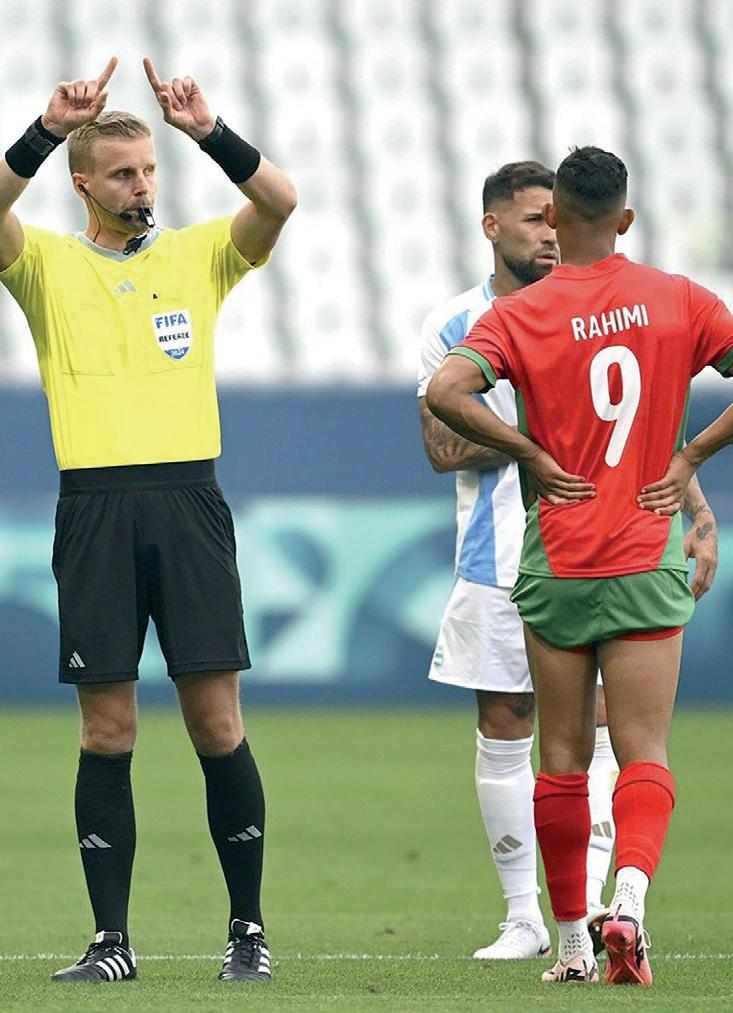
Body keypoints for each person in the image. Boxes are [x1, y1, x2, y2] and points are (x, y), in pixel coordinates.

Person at [0, 56, 296, 984]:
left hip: (188, 503)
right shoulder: (45, 265)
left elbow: (280, 201)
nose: (141, 187)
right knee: (106, 731)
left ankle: (247, 930)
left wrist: (207, 134)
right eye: (123, 174)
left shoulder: (197, 255)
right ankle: (110, 941)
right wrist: (44, 132)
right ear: (83, 184)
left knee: (217, 722)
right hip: (94, 509)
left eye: (149, 171)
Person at [425, 146, 731, 986]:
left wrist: (527, 449)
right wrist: (692, 457)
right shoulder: (677, 298)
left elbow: (445, 393)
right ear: (625, 218)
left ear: (554, 217)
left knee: (557, 758)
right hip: (644, 553)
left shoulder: (522, 312)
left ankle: (568, 944)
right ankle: (625, 899)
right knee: (641, 751)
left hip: (558, 560)